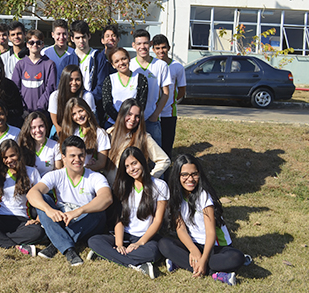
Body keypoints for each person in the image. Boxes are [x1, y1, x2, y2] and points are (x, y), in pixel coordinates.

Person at [158, 154, 247, 286]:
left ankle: (188, 264)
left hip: (214, 247)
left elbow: (211, 233)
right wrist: (193, 250)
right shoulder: (176, 196)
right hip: (194, 244)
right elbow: (180, 228)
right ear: (177, 176)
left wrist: (203, 259)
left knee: (237, 258)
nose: (190, 179)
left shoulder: (204, 196)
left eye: (194, 174)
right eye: (185, 175)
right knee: (164, 244)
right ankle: (216, 273)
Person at [27, 135, 113, 266]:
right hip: (64, 219)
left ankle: (56, 244)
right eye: (72, 156)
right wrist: (48, 210)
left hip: (86, 221)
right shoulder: (55, 175)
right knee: (43, 200)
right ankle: (68, 248)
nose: (77, 160)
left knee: (98, 211)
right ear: (64, 157)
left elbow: (106, 198)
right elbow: (32, 193)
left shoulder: (95, 176)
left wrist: (79, 211)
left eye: (81, 155)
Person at [87, 147, 168, 279]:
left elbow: (158, 221)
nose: (132, 169)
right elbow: (119, 220)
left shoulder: (160, 186)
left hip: (146, 238)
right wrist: (119, 244)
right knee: (94, 241)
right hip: (124, 236)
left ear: (142, 162)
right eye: (127, 166)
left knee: (154, 252)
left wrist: (140, 243)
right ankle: (138, 265)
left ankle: (107, 255)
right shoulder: (123, 187)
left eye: (134, 163)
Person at [0, 140, 45, 256]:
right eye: (5, 157)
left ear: (19, 154)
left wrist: (38, 219)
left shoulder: (32, 172)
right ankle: (16, 246)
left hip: (22, 221)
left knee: (38, 232)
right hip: (1, 218)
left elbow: (41, 197)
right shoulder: (0, 173)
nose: (9, 160)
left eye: (12, 155)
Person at [106, 99, 170, 185]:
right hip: (111, 189)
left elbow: (164, 160)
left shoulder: (143, 137)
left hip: (131, 191)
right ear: (122, 114)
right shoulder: (109, 134)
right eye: (129, 114)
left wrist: (147, 179)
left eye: (137, 116)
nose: (133, 119)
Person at [129, 29, 172, 146]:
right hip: (132, 119)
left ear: (150, 44)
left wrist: (155, 115)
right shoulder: (129, 65)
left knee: (154, 157)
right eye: (139, 44)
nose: (142, 47)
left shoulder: (161, 65)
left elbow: (166, 93)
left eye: (145, 43)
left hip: (151, 119)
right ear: (133, 45)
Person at [152, 34, 187, 159]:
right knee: (152, 147)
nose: (161, 51)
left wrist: (171, 102)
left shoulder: (177, 67)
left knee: (167, 147)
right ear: (153, 50)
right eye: (157, 48)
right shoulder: (151, 65)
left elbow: (182, 90)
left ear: (169, 48)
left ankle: (166, 176)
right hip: (152, 113)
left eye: (163, 47)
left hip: (169, 113)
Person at [59, 98, 110, 172]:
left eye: (81, 111)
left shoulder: (100, 133)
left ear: (87, 110)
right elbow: (65, 160)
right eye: (74, 114)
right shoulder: (70, 132)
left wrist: (82, 169)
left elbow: (101, 163)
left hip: (89, 175)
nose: (79, 116)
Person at [12, 29, 57, 113]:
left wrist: (40, 106)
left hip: (42, 112)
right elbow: (15, 88)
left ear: (42, 44)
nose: (35, 45)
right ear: (27, 45)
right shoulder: (20, 64)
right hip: (23, 112)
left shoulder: (49, 64)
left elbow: (50, 88)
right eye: (31, 42)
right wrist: (22, 106)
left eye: (38, 42)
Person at [102, 47, 148, 128]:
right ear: (113, 65)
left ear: (129, 59)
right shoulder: (109, 79)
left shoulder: (140, 78)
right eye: (116, 61)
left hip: (133, 124)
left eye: (124, 59)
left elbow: (141, 104)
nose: (121, 63)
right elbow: (107, 105)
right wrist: (121, 121)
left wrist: (130, 120)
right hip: (113, 124)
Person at [49, 65, 96, 136]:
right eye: (70, 79)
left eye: (77, 79)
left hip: (82, 129)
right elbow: (56, 123)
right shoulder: (55, 96)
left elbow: (90, 119)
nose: (74, 83)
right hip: (62, 129)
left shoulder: (87, 96)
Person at [17, 111, 63, 177]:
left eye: (41, 126)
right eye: (33, 127)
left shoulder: (55, 146)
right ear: (28, 129)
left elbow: (57, 172)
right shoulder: (23, 146)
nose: (38, 130)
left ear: (46, 127)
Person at [91, 24, 119, 125]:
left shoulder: (122, 60)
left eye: (113, 35)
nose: (111, 38)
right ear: (102, 40)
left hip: (116, 105)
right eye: (107, 36)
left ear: (118, 39)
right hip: (97, 104)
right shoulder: (96, 58)